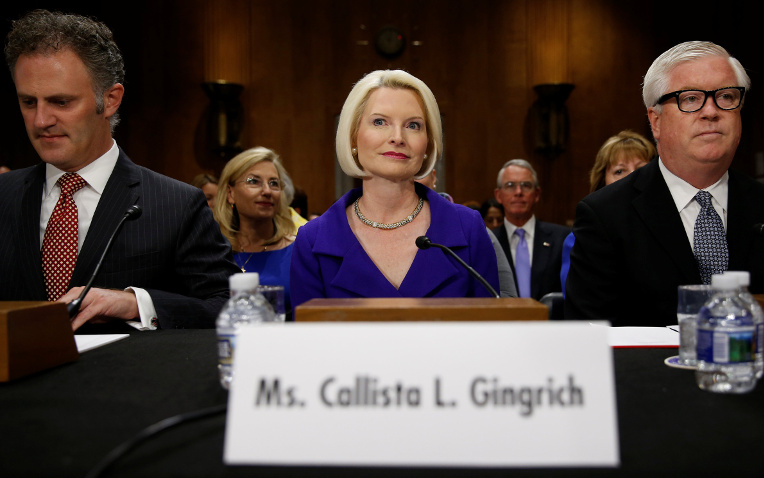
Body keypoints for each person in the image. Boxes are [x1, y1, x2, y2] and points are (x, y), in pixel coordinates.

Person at [0, 10, 238, 331]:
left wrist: (135, 304)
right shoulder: (5, 196)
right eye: (29, 102)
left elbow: (229, 307)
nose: (41, 120)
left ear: (110, 100)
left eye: (61, 102)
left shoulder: (176, 205)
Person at [565, 41, 764, 326]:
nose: (711, 111)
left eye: (725, 96)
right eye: (690, 99)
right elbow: (590, 337)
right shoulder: (605, 215)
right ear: (656, 121)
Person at [290, 70, 499, 311]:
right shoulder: (313, 240)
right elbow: (309, 344)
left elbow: (490, 334)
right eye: (380, 122)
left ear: (428, 144)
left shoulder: (468, 228)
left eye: (413, 125)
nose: (397, 137)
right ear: (353, 137)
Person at [559, 130, 656, 292]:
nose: (632, 177)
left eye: (642, 168)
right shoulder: (583, 237)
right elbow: (582, 303)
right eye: (619, 171)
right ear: (602, 182)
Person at [213, 146, 295, 318]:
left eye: (274, 183)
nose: (267, 191)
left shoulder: (299, 249)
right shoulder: (213, 252)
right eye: (253, 181)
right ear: (230, 193)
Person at [416, 169, 517, 298]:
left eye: (419, 172)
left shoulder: (471, 228)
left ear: (434, 177)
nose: (411, 180)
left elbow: (506, 296)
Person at [492, 159, 570, 300]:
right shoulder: (488, 241)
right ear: (498, 195)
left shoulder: (562, 238)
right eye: (510, 185)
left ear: (537, 194)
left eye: (526, 185)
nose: (518, 192)